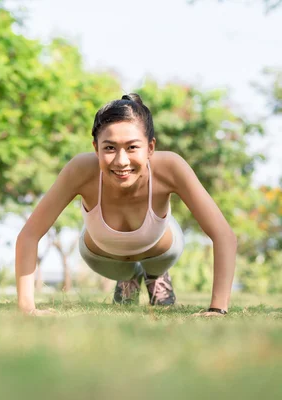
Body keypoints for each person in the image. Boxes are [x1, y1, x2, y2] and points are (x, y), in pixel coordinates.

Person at [15, 94, 236, 317]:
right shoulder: (80, 169)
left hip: (161, 254)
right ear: (96, 148)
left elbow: (223, 234)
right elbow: (29, 235)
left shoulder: (170, 166)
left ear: (150, 147)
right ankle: (129, 279)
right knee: (125, 270)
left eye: (132, 147)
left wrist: (217, 309)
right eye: (110, 148)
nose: (121, 161)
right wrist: (27, 309)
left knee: (157, 261)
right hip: (103, 259)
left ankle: (156, 277)